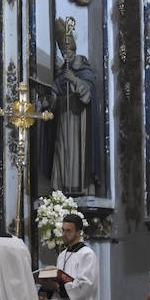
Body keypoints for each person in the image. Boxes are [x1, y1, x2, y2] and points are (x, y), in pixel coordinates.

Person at [43, 17, 101, 195]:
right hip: (64, 119)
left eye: (67, 51)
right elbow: (53, 99)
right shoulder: (61, 76)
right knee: (63, 150)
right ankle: (62, 188)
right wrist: (47, 100)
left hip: (79, 120)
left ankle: (81, 188)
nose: (64, 55)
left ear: (73, 50)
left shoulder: (84, 70)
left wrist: (74, 80)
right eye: (62, 51)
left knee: (78, 153)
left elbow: (88, 94)